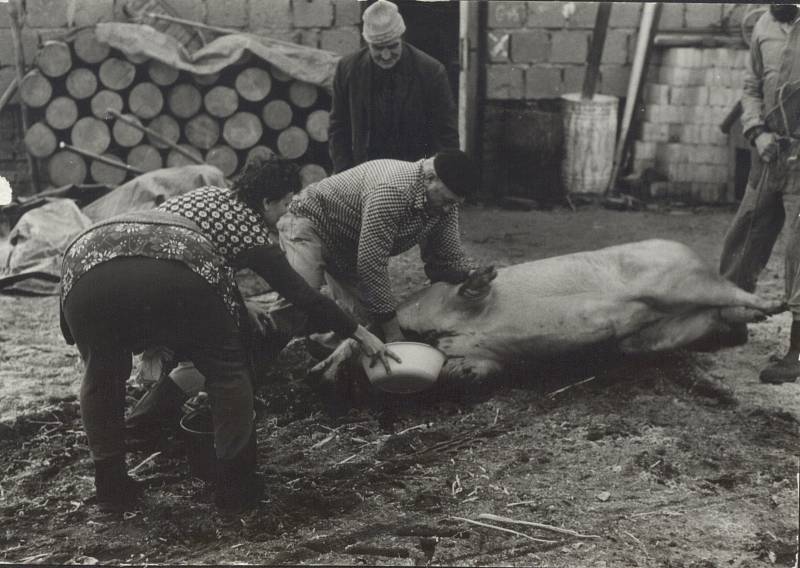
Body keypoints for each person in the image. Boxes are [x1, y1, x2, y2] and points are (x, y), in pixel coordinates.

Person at [59, 157, 396, 515]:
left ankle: (111, 487)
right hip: (174, 271)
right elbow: (303, 296)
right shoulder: (252, 232)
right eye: (284, 204)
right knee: (227, 368)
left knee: (102, 374)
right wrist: (359, 332)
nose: (285, 214)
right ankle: (237, 489)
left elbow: (181, 241)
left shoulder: (209, 195)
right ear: (266, 202)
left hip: (88, 259)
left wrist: (234, 298)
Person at [274, 150, 479, 345]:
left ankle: (323, 346)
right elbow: (371, 265)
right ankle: (255, 350)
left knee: (372, 324)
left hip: (349, 244)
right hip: (309, 222)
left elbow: (447, 257)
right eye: (446, 200)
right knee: (299, 295)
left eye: (454, 203)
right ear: (430, 178)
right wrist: (394, 335)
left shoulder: (445, 203)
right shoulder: (394, 190)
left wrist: (468, 277)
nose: (447, 208)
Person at [717, 3, 800, 384]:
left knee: (799, 252)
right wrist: (756, 130)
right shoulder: (766, 22)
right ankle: (727, 320)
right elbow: (751, 86)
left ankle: (796, 352)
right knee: (745, 235)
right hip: (769, 153)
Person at [328, 0, 459, 173]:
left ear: (402, 38)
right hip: (365, 173)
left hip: (414, 173)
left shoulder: (431, 72)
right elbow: (338, 127)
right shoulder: (347, 69)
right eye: (378, 48)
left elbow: (446, 134)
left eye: (393, 46)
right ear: (367, 43)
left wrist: (438, 177)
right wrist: (345, 174)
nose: (386, 55)